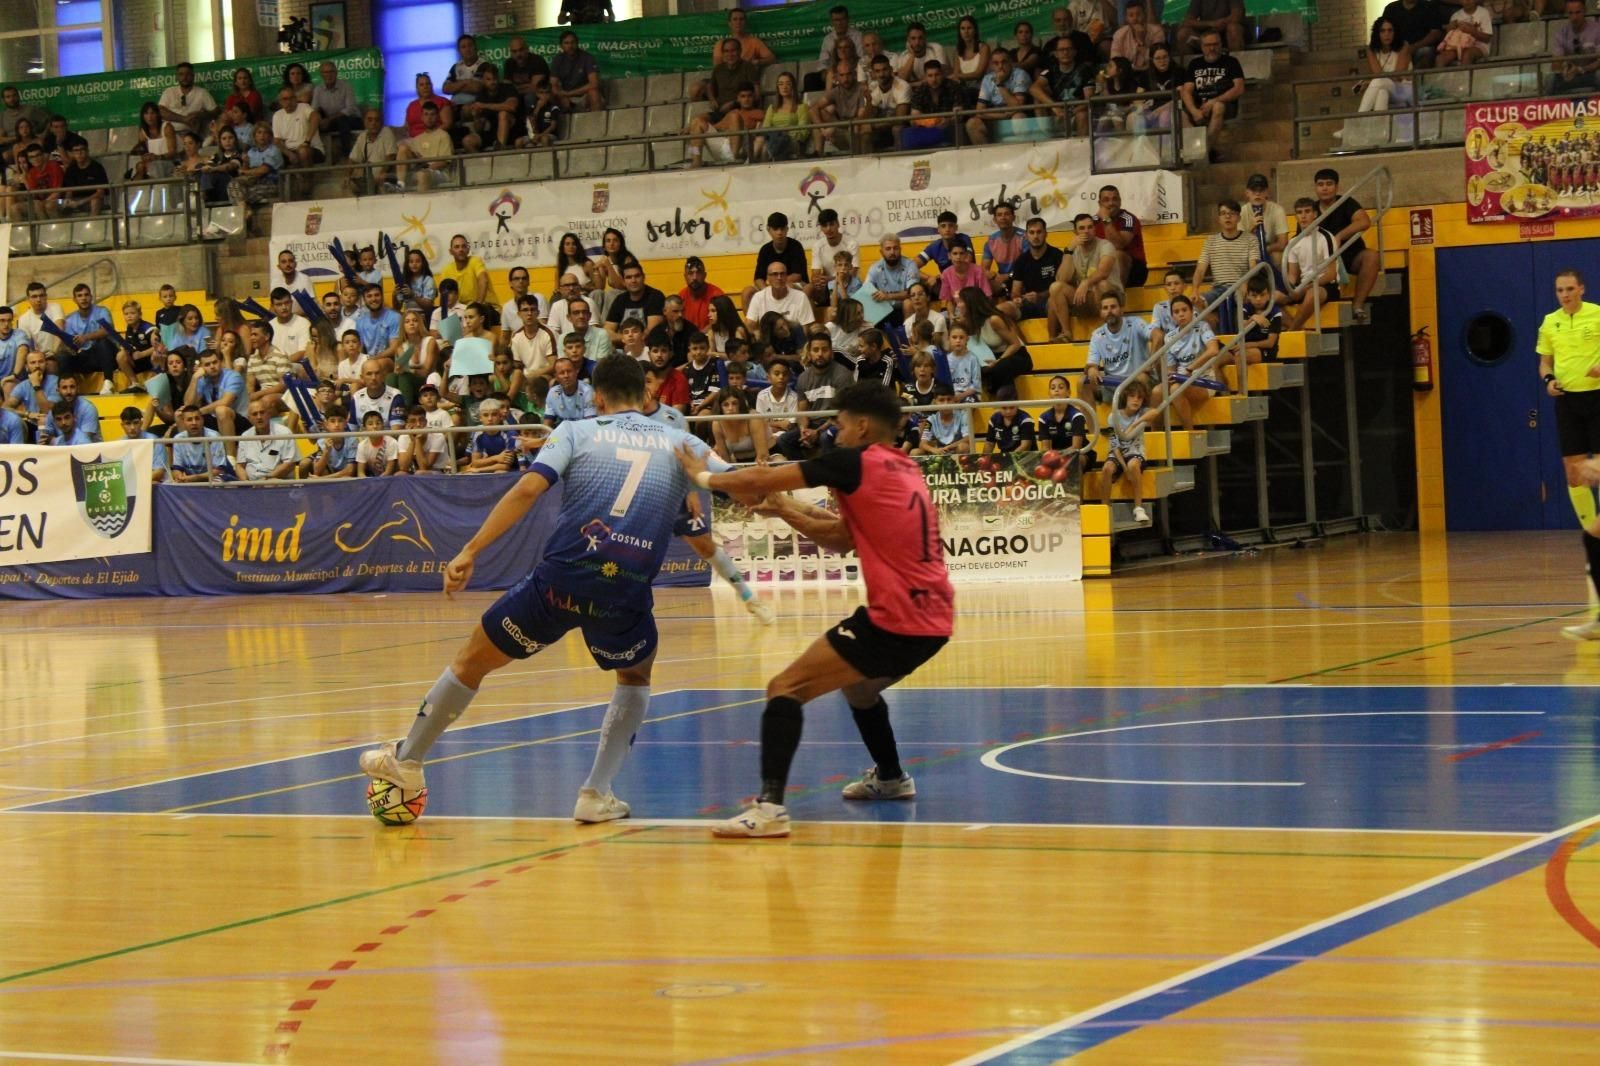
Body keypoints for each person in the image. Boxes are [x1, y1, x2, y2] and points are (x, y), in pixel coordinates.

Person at [360, 356, 727, 822]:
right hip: (625, 592)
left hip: (560, 583)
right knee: (634, 677)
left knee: (472, 660)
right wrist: (786, 502)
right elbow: (738, 482)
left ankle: (409, 759)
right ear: (647, 394)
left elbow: (527, 490)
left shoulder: (575, 431)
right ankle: (595, 794)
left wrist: (470, 550)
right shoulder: (681, 441)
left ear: (597, 397)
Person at [677, 382, 953, 837]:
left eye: (840, 425)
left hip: (897, 618)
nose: (835, 433)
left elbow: (759, 479)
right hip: (934, 618)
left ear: (861, 426)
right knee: (859, 689)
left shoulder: (854, 461)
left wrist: (702, 476)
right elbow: (843, 538)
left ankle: (769, 810)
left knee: (784, 687)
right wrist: (785, 510)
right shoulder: (903, 468)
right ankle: (890, 778)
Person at [1538, 271, 1600, 639]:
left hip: (1598, 397)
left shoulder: (1597, 314)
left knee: (1598, 469)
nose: (1564, 294)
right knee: (1575, 473)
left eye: (1569, 289)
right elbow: (1544, 362)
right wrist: (1548, 381)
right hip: (1568, 402)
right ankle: (1592, 532)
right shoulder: (1550, 322)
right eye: (1559, 290)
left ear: (1581, 289)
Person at [1314, 167, 1381, 325]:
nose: (1325, 188)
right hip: (1324, 262)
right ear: (1315, 188)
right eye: (1321, 184)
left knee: (1372, 256)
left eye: (1329, 184)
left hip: (1350, 256)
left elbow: (1364, 221)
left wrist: (1339, 236)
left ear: (1337, 187)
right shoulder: (1311, 209)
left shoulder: (1346, 202)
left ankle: (1357, 305)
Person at [1083, 290, 1161, 403]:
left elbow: (1158, 335)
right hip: (1114, 383)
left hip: (1139, 379)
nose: (1109, 311)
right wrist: (1092, 370)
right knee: (1083, 382)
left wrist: (1150, 362)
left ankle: (1143, 413)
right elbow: (1091, 364)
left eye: (1113, 307)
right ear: (1100, 312)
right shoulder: (1097, 335)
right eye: (1105, 308)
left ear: (1121, 309)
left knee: (1141, 379)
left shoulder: (1136, 323)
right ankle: (1090, 415)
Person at [1192, 199, 1257, 332]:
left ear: (1239, 218)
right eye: (1223, 213)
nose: (1228, 217)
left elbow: (1253, 267)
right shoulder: (1210, 241)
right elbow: (1200, 270)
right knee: (1194, 303)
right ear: (1218, 219)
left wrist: (1246, 283)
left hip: (1240, 287)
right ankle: (1214, 336)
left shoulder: (1250, 239)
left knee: (1243, 302)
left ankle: (1241, 339)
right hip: (1218, 289)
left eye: (1232, 213)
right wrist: (1194, 290)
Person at [1181, 30, 1245, 162]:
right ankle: (1202, 150)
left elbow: (1239, 88)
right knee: (1179, 114)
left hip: (1224, 103)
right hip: (1199, 104)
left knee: (1218, 107)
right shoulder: (1195, 64)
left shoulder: (1231, 62)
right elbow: (1186, 91)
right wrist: (1193, 111)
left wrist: (1213, 101)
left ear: (1221, 44)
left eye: (1215, 44)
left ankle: (1202, 154)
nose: (1212, 48)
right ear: (1201, 47)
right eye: (1208, 45)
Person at [1279, 197, 1341, 331]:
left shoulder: (1326, 237)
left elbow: (1331, 274)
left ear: (1315, 214)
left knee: (1313, 293)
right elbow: (1292, 275)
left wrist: (1306, 287)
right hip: (1303, 286)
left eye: (1307, 211)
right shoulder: (1293, 242)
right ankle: (1297, 327)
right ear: (1295, 216)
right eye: (1299, 212)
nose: (1303, 216)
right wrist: (1291, 289)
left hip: (1326, 286)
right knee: (1270, 297)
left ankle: (1291, 331)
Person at [1103, 376, 1156, 524]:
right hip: (1118, 453)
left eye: (1139, 397)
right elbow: (1114, 444)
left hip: (1136, 452)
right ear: (1125, 397)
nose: (1136, 400)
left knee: (1133, 465)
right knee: (1107, 468)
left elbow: (1155, 412)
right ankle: (1104, 507)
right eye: (1132, 396)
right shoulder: (1113, 416)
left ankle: (1138, 508)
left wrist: (1135, 424)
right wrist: (1124, 468)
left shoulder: (1142, 412)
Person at [686, 82, 766, 167]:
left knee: (734, 115)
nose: (746, 99)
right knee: (697, 122)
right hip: (724, 144)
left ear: (754, 97)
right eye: (743, 96)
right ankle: (696, 161)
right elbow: (716, 126)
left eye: (749, 96)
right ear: (738, 98)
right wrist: (693, 129)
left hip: (742, 148)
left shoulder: (759, 113)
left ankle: (734, 158)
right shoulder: (731, 112)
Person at [966, 49, 1032, 145]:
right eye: (996, 63)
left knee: (1018, 118)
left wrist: (1000, 84)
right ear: (991, 66)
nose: (1000, 66)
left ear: (1010, 63)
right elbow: (979, 111)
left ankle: (1022, 153)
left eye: (1004, 62)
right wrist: (1003, 115)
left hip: (1017, 114)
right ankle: (986, 153)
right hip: (998, 115)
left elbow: (1018, 106)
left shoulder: (1020, 74)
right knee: (972, 123)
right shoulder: (987, 78)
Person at [394, 100, 452, 192]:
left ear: (437, 117)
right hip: (420, 169)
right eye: (426, 114)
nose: (429, 118)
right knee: (402, 148)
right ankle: (400, 184)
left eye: (432, 114)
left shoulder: (443, 135)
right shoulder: (417, 138)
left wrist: (426, 168)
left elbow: (444, 162)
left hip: (439, 172)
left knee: (422, 174)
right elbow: (410, 155)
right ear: (422, 117)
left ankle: (420, 202)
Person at [232, 399, 296, 481]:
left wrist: (266, 479)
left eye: (262, 412)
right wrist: (246, 482)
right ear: (249, 418)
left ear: (269, 414)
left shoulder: (284, 433)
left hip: (277, 481)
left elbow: (289, 464)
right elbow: (240, 466)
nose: (259, 417)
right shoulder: (245, 436)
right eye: (255, 414)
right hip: (251, 483)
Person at [694, 37, 762, 110]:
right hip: (720, 110)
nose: (730, 54)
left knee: (733, 116)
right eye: (726, 51)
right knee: (699, 117)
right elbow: (710, 86)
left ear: (740, 51)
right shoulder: (718, 69)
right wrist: (712, 99)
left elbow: (757, 94)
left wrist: (734, 103)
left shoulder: (748, 67)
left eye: (733, 51)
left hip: (740, 110)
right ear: (723, 53)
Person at [1549, 1, 1600, 95]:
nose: (1574, 17)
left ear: (1585, 11)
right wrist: (1564, 69)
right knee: (1550, 80)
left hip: (1591, 74)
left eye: (1578, 12)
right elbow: (1556, 62)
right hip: (1571, 76)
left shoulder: (1597, 30)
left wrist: (1581, 69)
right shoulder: (1562, 33)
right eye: (1571, 13)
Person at [313, 60, 361, 158]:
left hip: (352, 119)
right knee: (312, 123)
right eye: (325, 72)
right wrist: (320, 120)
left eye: (331, 71)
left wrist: (329, 119)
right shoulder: (318, 90)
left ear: (336, 73)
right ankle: (320, 156)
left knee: (343, 120)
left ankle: (346, 156)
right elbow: (314, 109)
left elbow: (350, 109)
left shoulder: (346, 86)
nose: (329, 75)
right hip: (331, 122)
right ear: (321, 74)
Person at [158, 63, 218, 139]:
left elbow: (216, 111)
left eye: (188, 74)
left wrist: (201, 115)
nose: (185, 77)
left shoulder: (202, 92)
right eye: (181, 74)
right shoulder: (169, 92)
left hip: (193, 134)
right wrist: (183, 119)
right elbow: (160, 111)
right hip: (170, 133)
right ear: (177, 77)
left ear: (193, 76)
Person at [1381, 0, 1446, 69]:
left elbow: (1436, 33)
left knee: (1425, 52)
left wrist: (1414, 47)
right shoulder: (1391, 9)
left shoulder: (1429, 7)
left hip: (1422, 47)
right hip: (1397, 48)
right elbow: (1382, 30)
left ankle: (1419, 75)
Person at [435, 234, 496, 306]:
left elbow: (483, 280)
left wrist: (477, 307)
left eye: (463, 246)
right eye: (457, 247)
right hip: (462, 310)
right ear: (451, 251)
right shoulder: (446, 270)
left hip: (486, 307)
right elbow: (443, 296)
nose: (461, 249)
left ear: (468, 249)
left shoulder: (475, 261)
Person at [551, 31, 605, 112]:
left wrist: (568, 93)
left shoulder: (587, 58)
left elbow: (594, 83)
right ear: (561, 46)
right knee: (549, 95)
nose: (570, 46)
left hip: (585, 96)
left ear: (577, 43)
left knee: (594, 93)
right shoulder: (557, 59)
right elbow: (553, 84)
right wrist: (561, 95)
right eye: (566, 43)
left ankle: (597, 120)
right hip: (566, 97)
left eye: (573, 42)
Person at [1178, 0, 1245, 56]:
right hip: (1205, 36)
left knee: (1233, 29)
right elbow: (1188, 21)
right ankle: (1190, 66)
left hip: (1226, 35)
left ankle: (1237, 63)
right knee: (1183, 33)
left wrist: (1220, 24)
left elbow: (1236, 16)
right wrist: (1211, 24)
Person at [1112, 3, 1165, 71]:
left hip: (1153, 71)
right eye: (1131, 15)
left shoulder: (1157, 31)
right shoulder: (1119, 34)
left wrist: (1141, 40)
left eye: (1138, 14)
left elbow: (1159, 58)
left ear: (1145, 15)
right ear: (1126, 18)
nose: (1135, 18)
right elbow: (1115, 61)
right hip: (1128, 72)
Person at [1438, 0, 1492, 67]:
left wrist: (1472, 31)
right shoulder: (1455, 16)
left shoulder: (1484, 13)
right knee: (1440, 58)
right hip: (1457, 46)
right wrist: (1449, 29)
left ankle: (1463, 74)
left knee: (1467, 54)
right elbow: (1449, 38)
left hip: (1479, 46)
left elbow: (1487, 38)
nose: (1467, 1)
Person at [677, 256, 723, 332]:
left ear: (705, 275)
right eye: (690, 273)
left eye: (698, 273)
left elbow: (719, 323)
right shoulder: (681, 296)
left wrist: (698, 336)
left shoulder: (717, 295)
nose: (694, 277)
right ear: (685, 276)